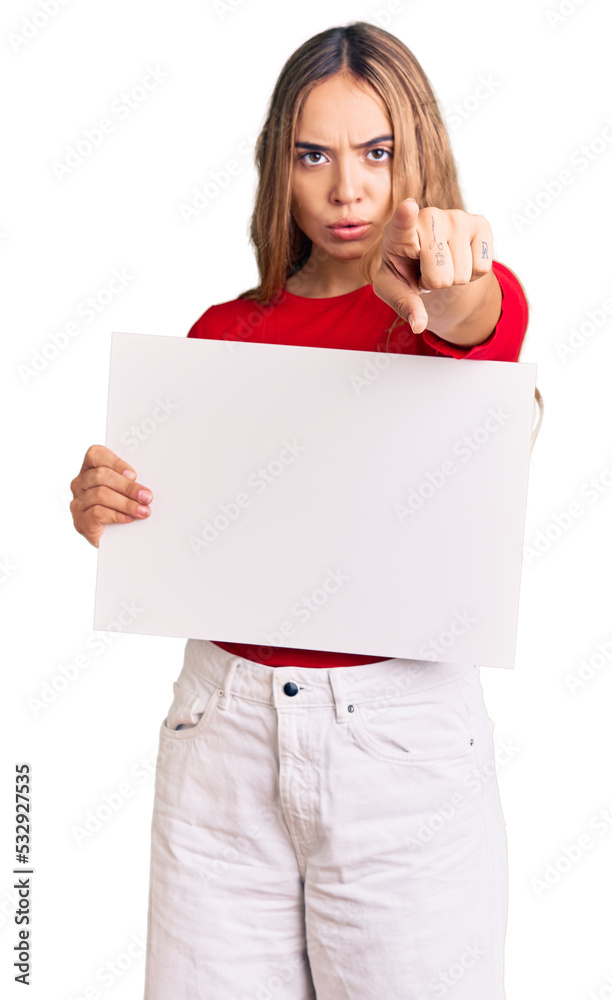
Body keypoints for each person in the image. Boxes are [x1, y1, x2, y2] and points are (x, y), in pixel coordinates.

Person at [69, 22, 540, 1000]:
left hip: (394, 743)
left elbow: (472, 320)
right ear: (277, 168)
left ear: (419, 152)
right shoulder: (221, 335)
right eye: (313, 155)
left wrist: (450, 282)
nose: (348, 188)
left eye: (377, 153)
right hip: (220, 733)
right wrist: (105, 505)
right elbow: (174, 531)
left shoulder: (432, 308)